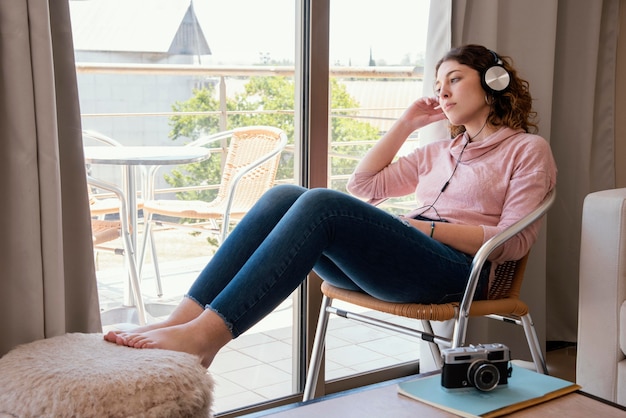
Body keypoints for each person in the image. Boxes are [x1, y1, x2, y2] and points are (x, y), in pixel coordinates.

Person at [104, 44, 557, 369]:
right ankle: (182, 321)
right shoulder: (440, 152)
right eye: (438, 85)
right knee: (285, 195)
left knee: (321, 203)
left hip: (461, 275)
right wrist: (405, 124)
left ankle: (205, 338)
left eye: (454, 79)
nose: (443, 92)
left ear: (494, 82)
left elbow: (513, 241)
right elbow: (365, 185)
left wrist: (424, 231)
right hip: (402, 265)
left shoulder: (527, 150)